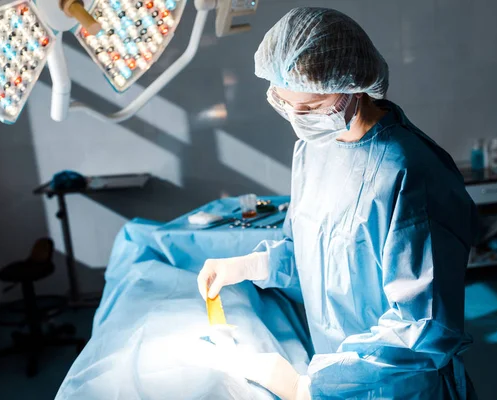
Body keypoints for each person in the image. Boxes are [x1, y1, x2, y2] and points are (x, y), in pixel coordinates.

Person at [197, 7, 478, 400]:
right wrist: (251, 265)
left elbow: (423, 329)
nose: (297, 119)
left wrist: (307, 385)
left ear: (353, 86)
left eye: (310, 108)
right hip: (336, 376)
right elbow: (315, 257)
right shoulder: (312, 150)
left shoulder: (412, 174)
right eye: (283, 102)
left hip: (401, 388)